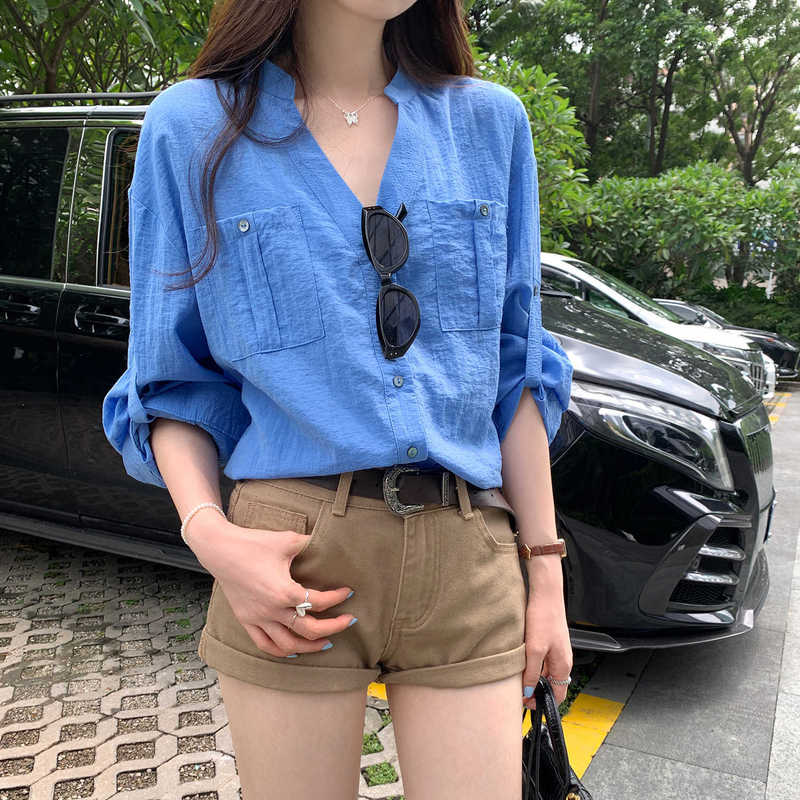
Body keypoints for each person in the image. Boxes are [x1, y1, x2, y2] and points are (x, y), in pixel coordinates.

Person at [101, 0, 576, 797]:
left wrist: (548, 578)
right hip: (292, 553)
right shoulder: (193, 127)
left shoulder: (489, 124)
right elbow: (173, 379)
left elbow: (515, 366)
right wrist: (211, 537)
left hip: (467, 549)